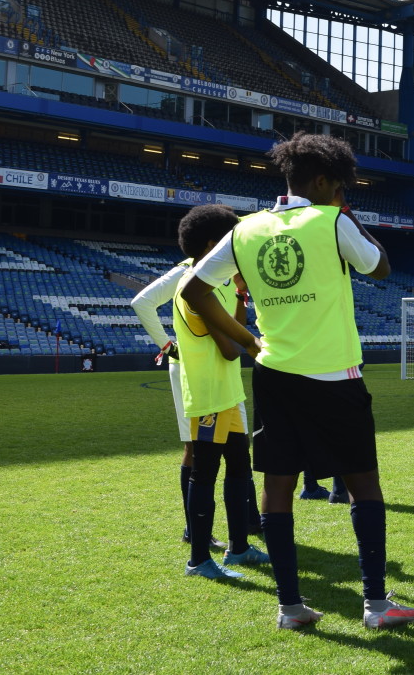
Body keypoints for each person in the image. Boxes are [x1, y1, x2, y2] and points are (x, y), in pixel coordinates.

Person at [181, 131, 414, 632]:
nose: (344, 193)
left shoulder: (245, 230)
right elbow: (380, 267)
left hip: (274, 375)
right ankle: (377, 605)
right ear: (323, 181)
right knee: (362, 482)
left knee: (277, 486)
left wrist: (250, 342)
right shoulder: (332, 220)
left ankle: (290, 607)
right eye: (341, 186)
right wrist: (344, 211)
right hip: (335, 375)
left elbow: (193, 288)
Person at [172, 204, 270, 579]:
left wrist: (242, 296)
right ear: (215, 245)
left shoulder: (215, 286)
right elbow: (230, 348)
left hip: (227, 393)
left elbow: (232, 332)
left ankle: (239, 548)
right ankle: (199, 559)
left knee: (239, 470)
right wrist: (253, 343)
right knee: (205, 473)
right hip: (209, 395)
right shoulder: (192, 289)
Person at [133, 252, 254, 549]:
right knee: (196, 447)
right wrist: (167, 346)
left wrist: (241, 292)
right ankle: (194, 528)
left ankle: (246, 524)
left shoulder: (227, 271)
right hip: (196, 370)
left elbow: (234, 330)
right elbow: (142, 302)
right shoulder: (187, 272)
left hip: (225, 372)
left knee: (237, 447)